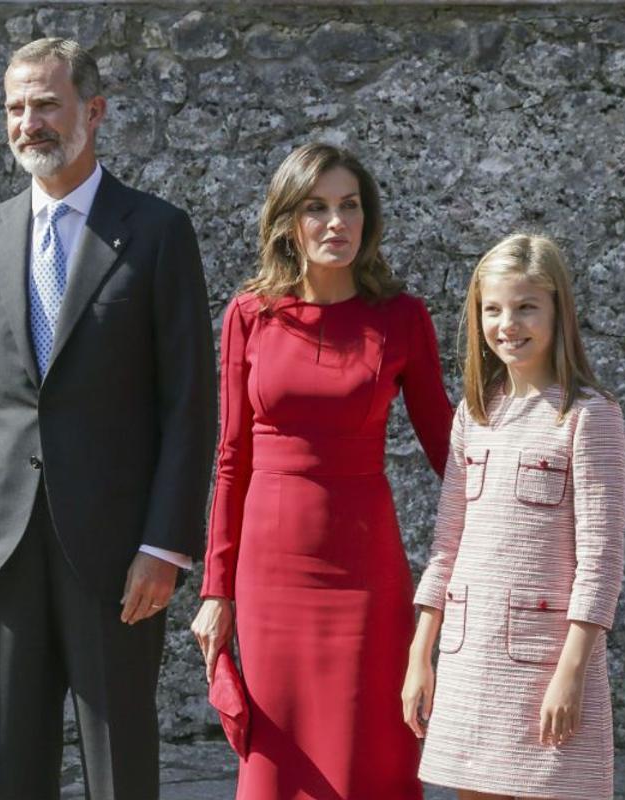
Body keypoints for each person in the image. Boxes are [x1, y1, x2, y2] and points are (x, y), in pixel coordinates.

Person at [0, 38, 216, 800]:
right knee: (18, 766)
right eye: (15, 108)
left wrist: (166, 543)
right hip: (2, 543)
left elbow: (188, 402)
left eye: (46, 104)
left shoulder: (156, 232)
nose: (30, 123)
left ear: (94, 111)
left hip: (119, 550)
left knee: (120, 763)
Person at [191, 142, 453, 799]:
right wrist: (215, 589)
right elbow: (231, 459)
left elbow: (447, 444)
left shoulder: (401, 318)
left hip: (366, 566)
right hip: (270, 571)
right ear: (288, 222)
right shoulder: (250, 315)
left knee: (372, 747)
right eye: (317, 207)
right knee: (279, 755)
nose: (336, 222)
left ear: (368, 220)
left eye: (350, 206)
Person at [402, 233, 625, 800]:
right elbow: (447, 545)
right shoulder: (473, 417)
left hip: (546, 665)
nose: (509, 324)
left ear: (558, 311)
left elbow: (599, 559)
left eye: (527, 306)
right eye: (493, 309)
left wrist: (571, 672)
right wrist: (420, 656)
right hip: (469, 661)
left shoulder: (587, 416)